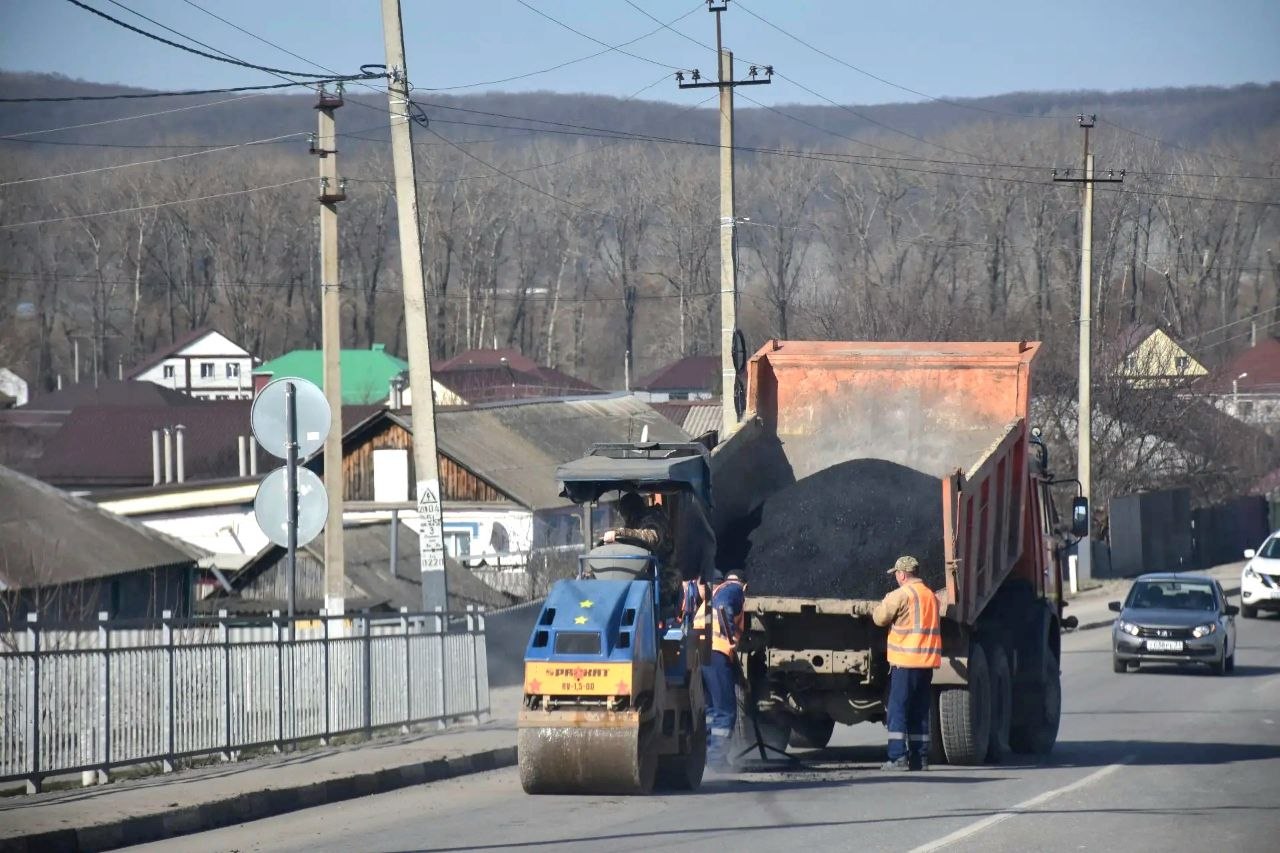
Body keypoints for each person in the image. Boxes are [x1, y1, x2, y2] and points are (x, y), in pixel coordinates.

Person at [871, 555, 942, 771]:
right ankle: (920, 759)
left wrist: (883, 602)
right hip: (926, 663)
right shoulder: (931, 596)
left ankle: (897, 757)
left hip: (905, 663)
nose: (896, 578)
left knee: (898, 710)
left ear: (902, 574)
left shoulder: (900, 595)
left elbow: (879, 618)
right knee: (919, 711)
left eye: (896, 574)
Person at [695, 570, 746, 768]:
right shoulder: (734, 589)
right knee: (725, 710)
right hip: (716, 651)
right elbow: (724, 607)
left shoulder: (713, 595)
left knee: (710, 708)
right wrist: (731, 638)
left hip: (698, 652)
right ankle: (716, 760)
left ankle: (706, 757)